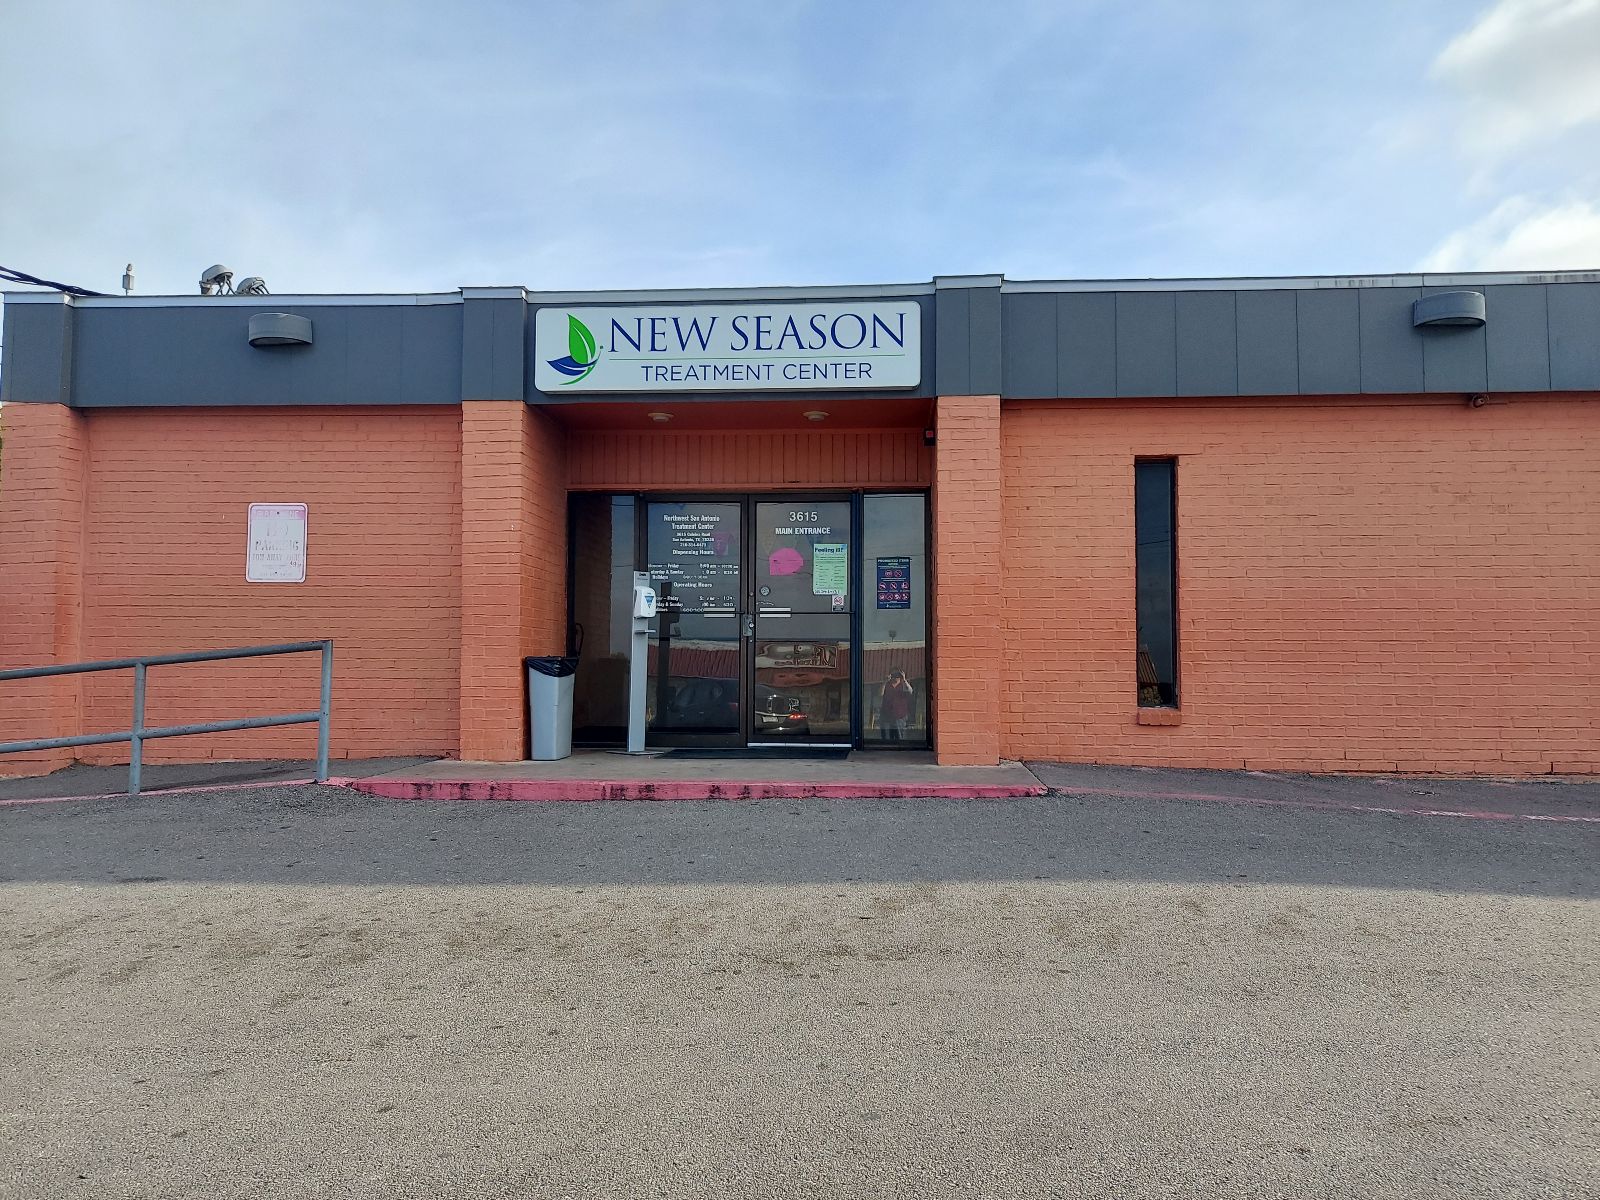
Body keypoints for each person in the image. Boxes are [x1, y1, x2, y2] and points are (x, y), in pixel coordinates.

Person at [878, 670, 914, 742]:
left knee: (900, 738)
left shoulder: (904, 684)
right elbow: (880, 694)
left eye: (898, 675)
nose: (896, 677)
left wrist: (904, 680)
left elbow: (910, 691)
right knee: (886, 739)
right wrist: (884, 682)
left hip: (900, 716)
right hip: (886, 716)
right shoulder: (886, 684)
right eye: (894, 675)